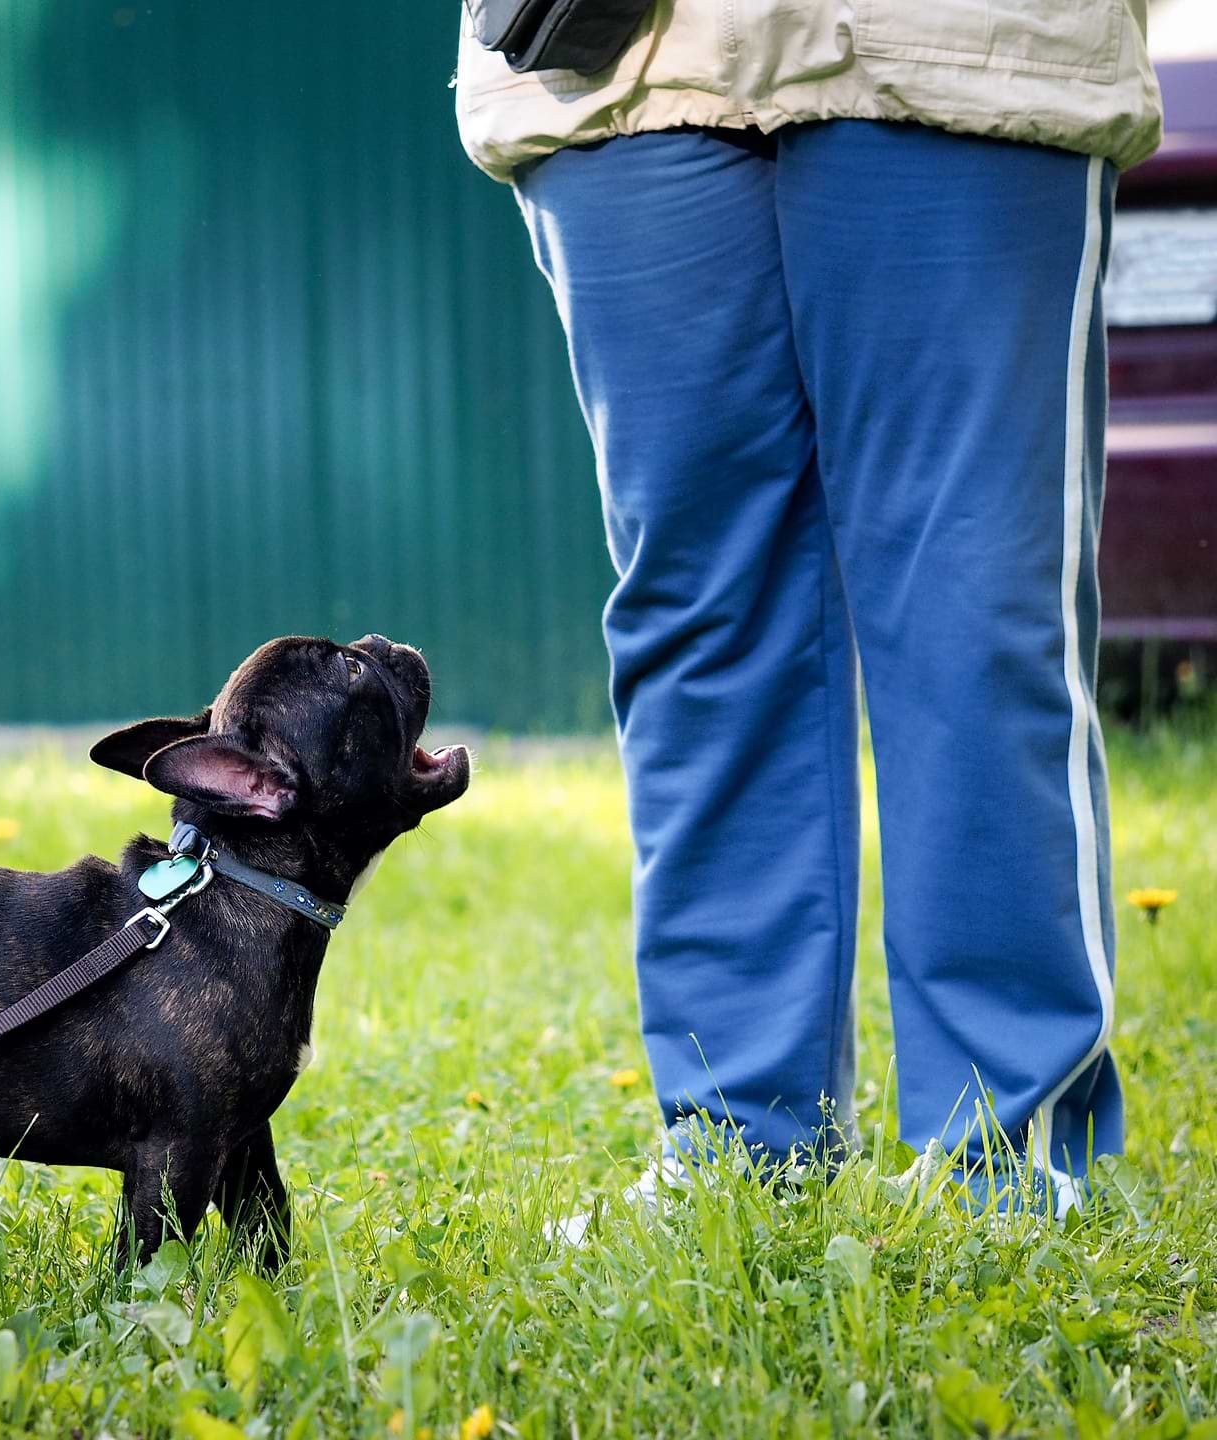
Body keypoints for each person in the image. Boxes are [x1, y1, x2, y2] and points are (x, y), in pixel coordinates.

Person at [456, 2, 1162, 1214]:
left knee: (972, 609)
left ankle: (1009, 1158)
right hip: (628, 61)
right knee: (700, 615)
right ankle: (739, 1147)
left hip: (951, 47)